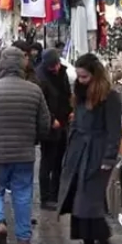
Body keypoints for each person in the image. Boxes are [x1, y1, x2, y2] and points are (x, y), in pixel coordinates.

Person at [0, 47, 50, 244]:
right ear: (22, 65)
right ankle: (24, 237)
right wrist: (35, 139)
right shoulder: (34, 90)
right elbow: (45, 122)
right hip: (24, 152)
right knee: (23, 193)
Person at [58, 53, 122, 244]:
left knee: (88, 205)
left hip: (96, 154)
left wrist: (108, 158)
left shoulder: (110, 97)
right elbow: (76, 123)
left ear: (95, 75)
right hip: (78, 153)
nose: (80, 80)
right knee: (77, 205)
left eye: (84, 76)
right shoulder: (80, 94)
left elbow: (114, 131)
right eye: (78, 76)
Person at [35, 48, 73, 211]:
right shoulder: (40, 77)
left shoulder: (62, 73)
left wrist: (70, 110)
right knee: (47, 162)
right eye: (52, 66)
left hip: (63, 122)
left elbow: (66, 94)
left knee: (59, 162)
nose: (56, 68)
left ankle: (56, 195)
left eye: (57, 64)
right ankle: (45, 198)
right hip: (50, 126)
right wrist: (50, 119)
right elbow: (40, 103)